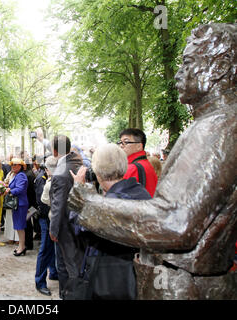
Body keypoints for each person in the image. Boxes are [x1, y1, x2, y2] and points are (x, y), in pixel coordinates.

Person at [68, 23, 237, 299]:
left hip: (185, 286)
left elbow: (175, 221)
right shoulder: (210, 125)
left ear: (218, 67)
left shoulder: (219, 128)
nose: (179, 74)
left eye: (187, 63)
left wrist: (90, 204)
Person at [70, 144, 152, 299]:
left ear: (97, 172)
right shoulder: (140, 191)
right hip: (135, 275)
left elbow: (79, 226)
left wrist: (78, 190)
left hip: (108, 279)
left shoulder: (109, 205)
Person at [48, 135, 84, 300]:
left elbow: (58, 205)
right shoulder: (79, 163)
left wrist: (53, 229)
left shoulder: (61, 173)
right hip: (79, 222)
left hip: (66, 226)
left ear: (55, 151)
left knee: (69, 266)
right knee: (72, 264)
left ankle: (69, 295)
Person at [34, 159, 58, 296]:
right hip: (46, 218)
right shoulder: (42, 180)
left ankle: (53, 273)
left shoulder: (49, 178)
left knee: (51, 248)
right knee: (45, 249)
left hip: (50, 218)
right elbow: (41, 202)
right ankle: (40, 282)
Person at [117, 128, 158, 197]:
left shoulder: (132, 168)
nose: (121, 145)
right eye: (120, 142)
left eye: (126, 142)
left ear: (139, 146)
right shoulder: (146, 163)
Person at [4, 158, 28, 256]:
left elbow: (20, 189)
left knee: (20, 226)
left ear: (21, 166)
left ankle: (22, 247)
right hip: (18, 203)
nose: (13, 166)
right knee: (18, 226)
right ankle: (21, 246)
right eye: (12, 165)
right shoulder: (16, 175)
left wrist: (9, 190)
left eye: (15, 165)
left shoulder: (21, 175)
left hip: (20, 204)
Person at [3, 166, 19, 244]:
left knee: (16, 218)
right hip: (9, 198)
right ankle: (10, 237)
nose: (13, 167)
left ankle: (17, 238)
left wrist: (9, 188)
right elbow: (5, 182)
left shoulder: (20, 175)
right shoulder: (9, 174)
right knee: (9, 218)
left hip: (16, 198)